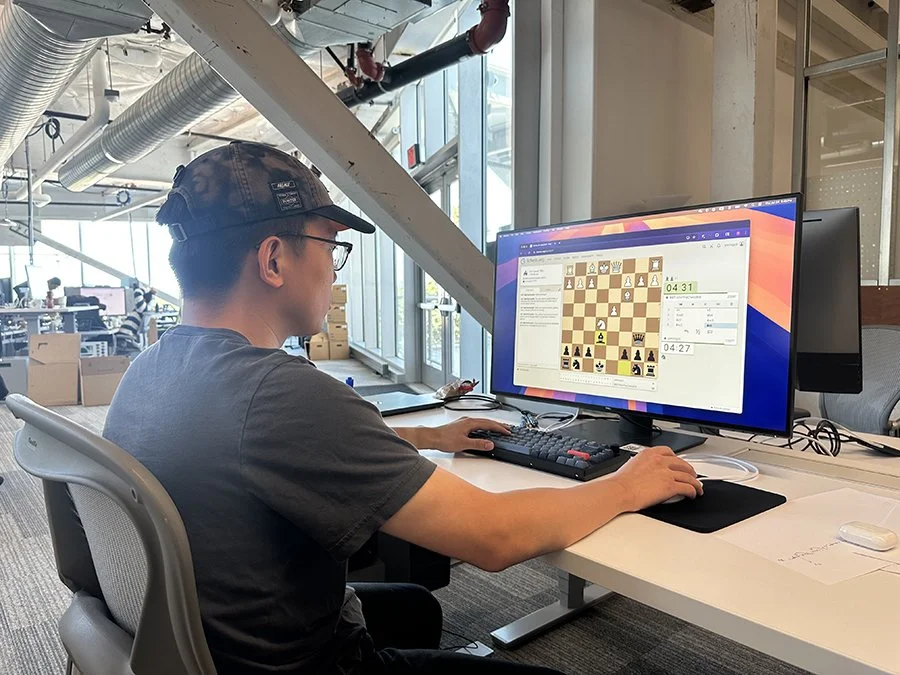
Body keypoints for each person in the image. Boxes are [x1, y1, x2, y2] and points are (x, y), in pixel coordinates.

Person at [103, 142, 701, 675]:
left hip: (212, 645)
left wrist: (429, 438)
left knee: (413, 608)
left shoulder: (150, 369)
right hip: (309, 662)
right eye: (330, 248)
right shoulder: (283, 393)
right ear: (273, 260)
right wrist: (627, 484)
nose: (334, 275)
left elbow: (260, 450)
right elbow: (494, 539)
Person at [116, 282, 155, 349]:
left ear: (143, 299)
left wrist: (148, 289)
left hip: (124, 338)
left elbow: (137, 292)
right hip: (127, 338)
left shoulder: (141, 308)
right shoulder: (145, 310)